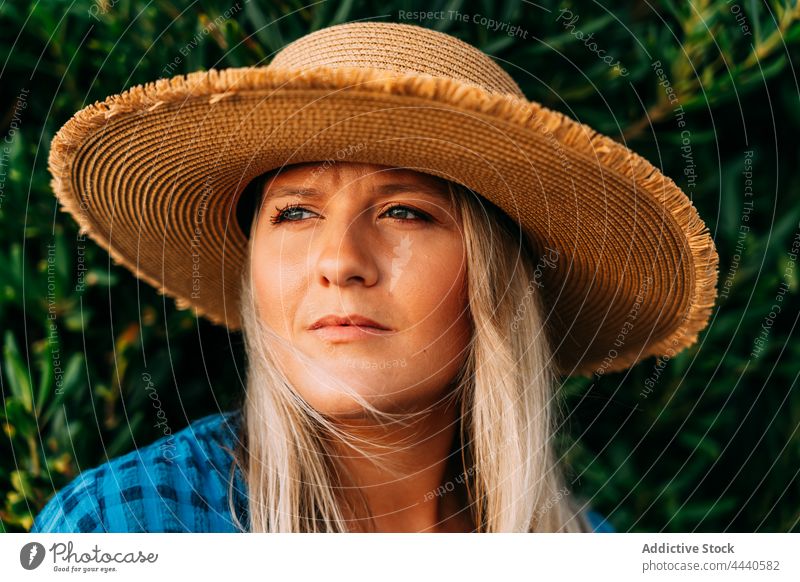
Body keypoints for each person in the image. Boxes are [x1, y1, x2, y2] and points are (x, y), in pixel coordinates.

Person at [32, 21, 718, 533]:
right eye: (295, 212)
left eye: (404, 212)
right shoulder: (130, 526)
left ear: (496, 282)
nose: (339, 262)